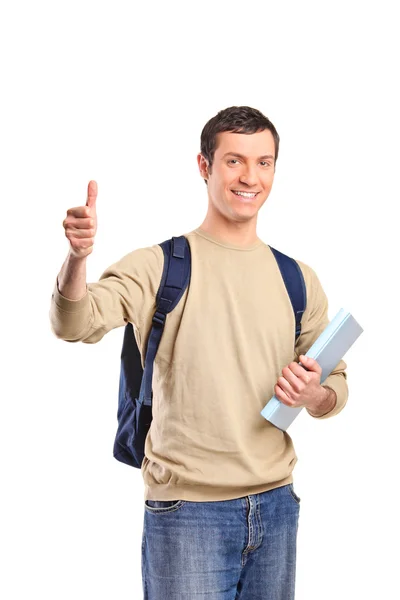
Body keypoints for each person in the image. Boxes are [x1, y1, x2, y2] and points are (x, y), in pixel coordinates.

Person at [49, 106, 348, 599]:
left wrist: (315, 395)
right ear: (204, 166)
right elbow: (73, 323)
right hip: (188, 513)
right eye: (233, 161)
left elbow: (335, 383)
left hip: (276, 506)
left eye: (264, 162)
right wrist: (77, 258)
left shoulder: (297, 277)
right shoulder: (158, 266)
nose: (250, 177)